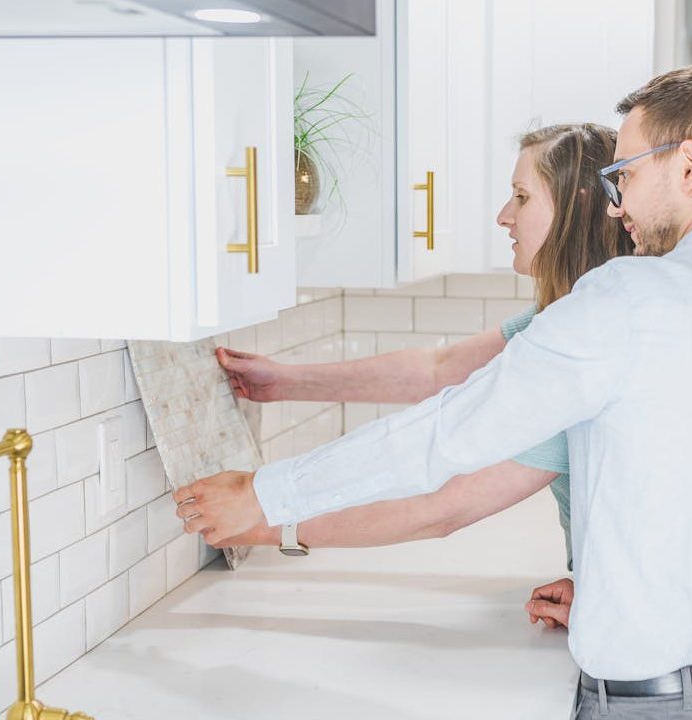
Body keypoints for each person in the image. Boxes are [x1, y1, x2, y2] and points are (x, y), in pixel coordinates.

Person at [177, 61, 692, 720]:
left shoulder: (632, 300)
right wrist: (619, 598)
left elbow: (450, 432)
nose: (617, 206)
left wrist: (269, 495)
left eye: (628, 176)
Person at [209, 122, 627, 629]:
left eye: (521, 197)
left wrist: (263, 521)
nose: (503, 216)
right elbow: (441, 369)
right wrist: (288, 381)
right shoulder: (568, 318)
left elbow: (443, 507)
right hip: (617, 605)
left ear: (577, 206)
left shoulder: (579, 345)